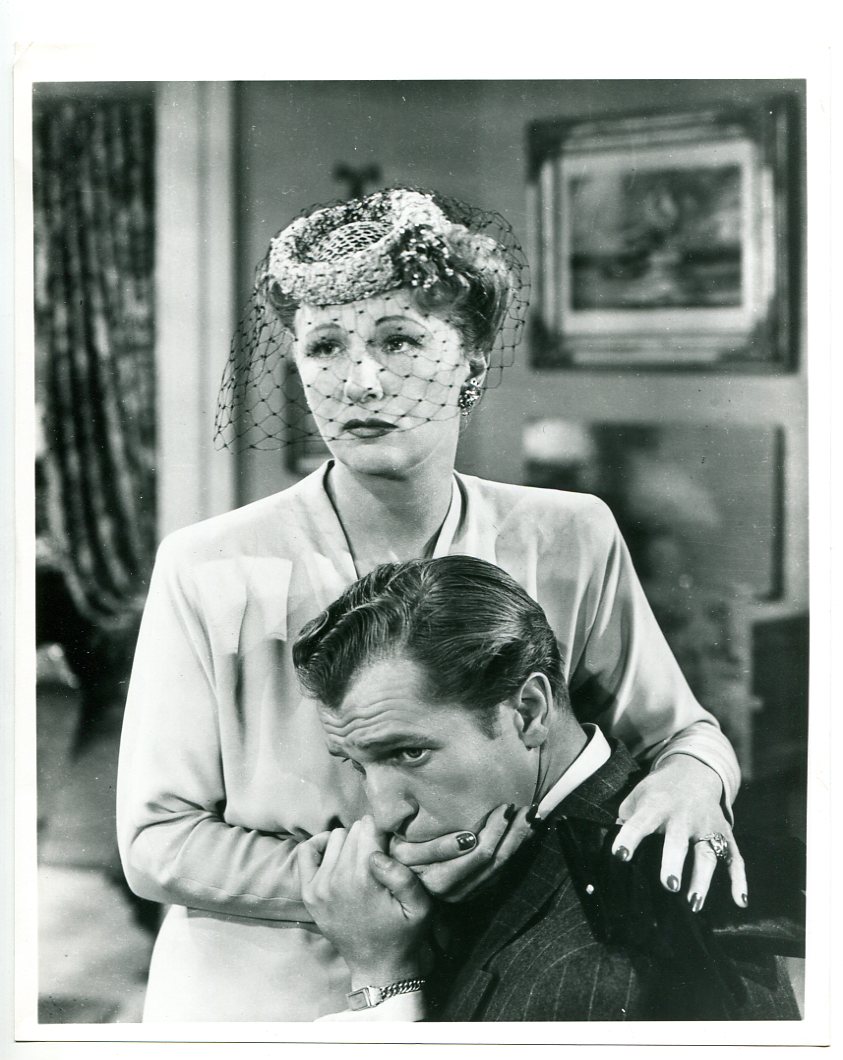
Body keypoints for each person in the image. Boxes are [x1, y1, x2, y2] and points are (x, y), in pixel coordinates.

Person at [117, 187, 745, 1022]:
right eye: (325, 346)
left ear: (472, 362)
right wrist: (373, 881)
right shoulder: (209, 567)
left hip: (505, 973)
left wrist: (692, 782)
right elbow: (155, 842)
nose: (360, 380)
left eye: (398, 339)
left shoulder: (567, 535)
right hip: (265, 995)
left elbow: (680, 735)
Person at [293, 556, 804, 1021]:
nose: (384, 815)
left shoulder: (593, 973)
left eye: (410, 753)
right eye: (358, 765)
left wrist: (383, 979)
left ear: (528, 711)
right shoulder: (545, 847)